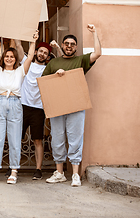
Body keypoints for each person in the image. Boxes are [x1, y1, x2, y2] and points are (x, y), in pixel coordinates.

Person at [42, 24, 101, 187]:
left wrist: (95, 32)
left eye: (72, 44)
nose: (69, 46)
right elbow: (43, 83)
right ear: (62, 45)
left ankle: (75, 175)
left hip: (76, 106)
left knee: (75, 139)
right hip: (57, 107)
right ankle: (59, 173)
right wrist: (56, 75)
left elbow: (98, 53)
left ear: (76, 47)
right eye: (66, 44)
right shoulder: (53, 63)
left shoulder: (81, 60)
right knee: (57, 140)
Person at [0, 27, 38, 184]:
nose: (9, 58)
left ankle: (14, 171)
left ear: (16, 59)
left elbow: (30, 57)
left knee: (14, 139)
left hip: (15, 104)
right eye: (6, 56)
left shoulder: (21, 71)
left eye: (12, 56)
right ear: (3, 58)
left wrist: (33, 41)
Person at [20, 41, 53, 180]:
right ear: (35, 52)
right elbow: (18, 47)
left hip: (38, 109)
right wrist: (31, 39)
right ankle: (12, 167)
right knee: (16, 138)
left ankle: (38, 169)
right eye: (40, 51)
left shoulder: (48, 69)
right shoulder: (27, 63)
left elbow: (60, 63)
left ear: (47, 57)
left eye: (45, 53)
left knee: (38, 140)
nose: (42, 54)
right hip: (22, 106)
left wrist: (56, 48)